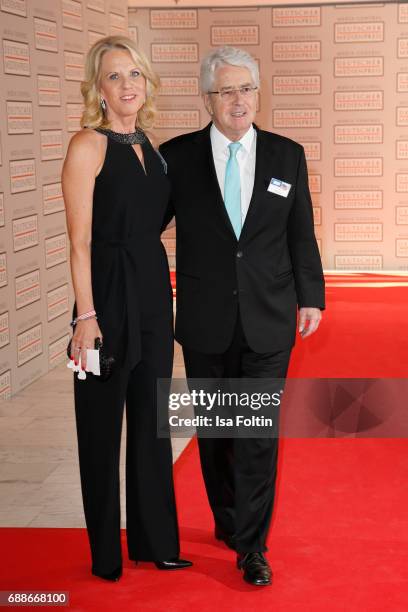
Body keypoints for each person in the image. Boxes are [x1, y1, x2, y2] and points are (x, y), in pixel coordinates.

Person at [159, 46, 325, 587]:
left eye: (247, 88)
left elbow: (300, 233)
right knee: (216, 434)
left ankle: (252, 545)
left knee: (254, 431)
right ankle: (229, 523)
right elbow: (142, 228)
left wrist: (311, 297)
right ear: (207, 98)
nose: (238, 100)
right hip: (206, 320)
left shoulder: (286, 156)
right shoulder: (176, 157)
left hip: (268, 317)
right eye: (226, 90)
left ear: (259, 92)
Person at [62, 35, 191, 582]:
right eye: (115, 76)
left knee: (152, 422)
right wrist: (85, 319)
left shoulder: (152, 147)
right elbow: (79, 242)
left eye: (134, 74)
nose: (127, 85)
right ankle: (105, 556)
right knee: (98, 429)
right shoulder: (86, 145)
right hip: (104, 299)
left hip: (153, 297)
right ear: (98, 88)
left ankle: (155, 542)